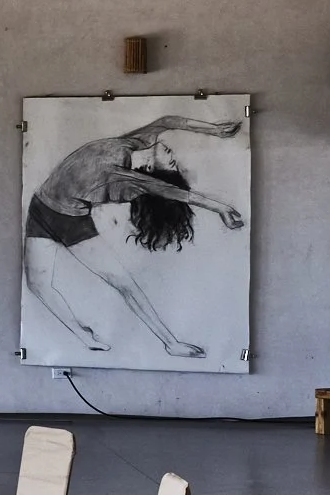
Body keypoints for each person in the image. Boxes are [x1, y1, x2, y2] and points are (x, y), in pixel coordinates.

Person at [24, 115, 245, 359]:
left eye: (172, 165)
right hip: (39, 207)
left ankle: (171, 343)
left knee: (122, 282)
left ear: (150, 169)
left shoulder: (121, 176)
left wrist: (222, 208)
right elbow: (168, 121)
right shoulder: (134, 143)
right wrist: (214, 129)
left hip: (70, 222)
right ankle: (83, 334)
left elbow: (170, 191)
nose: (175, 158)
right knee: (37, 284)